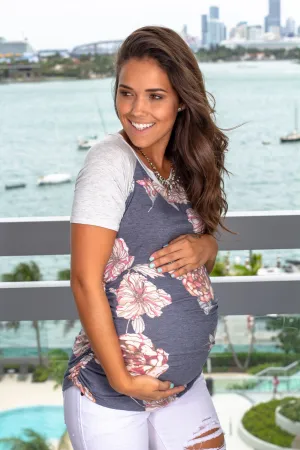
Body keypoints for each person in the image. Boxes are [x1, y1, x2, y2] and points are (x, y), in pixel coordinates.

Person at [63, 26, 228, 450]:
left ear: (180, 100)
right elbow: (84, 279)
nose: (136, 109)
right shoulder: (109, 162)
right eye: (126, 93)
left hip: (181, 387)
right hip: (111, 390)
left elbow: (189, 257)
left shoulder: (184, 160)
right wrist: (122, 379)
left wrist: (207, 245)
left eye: (155, 96)